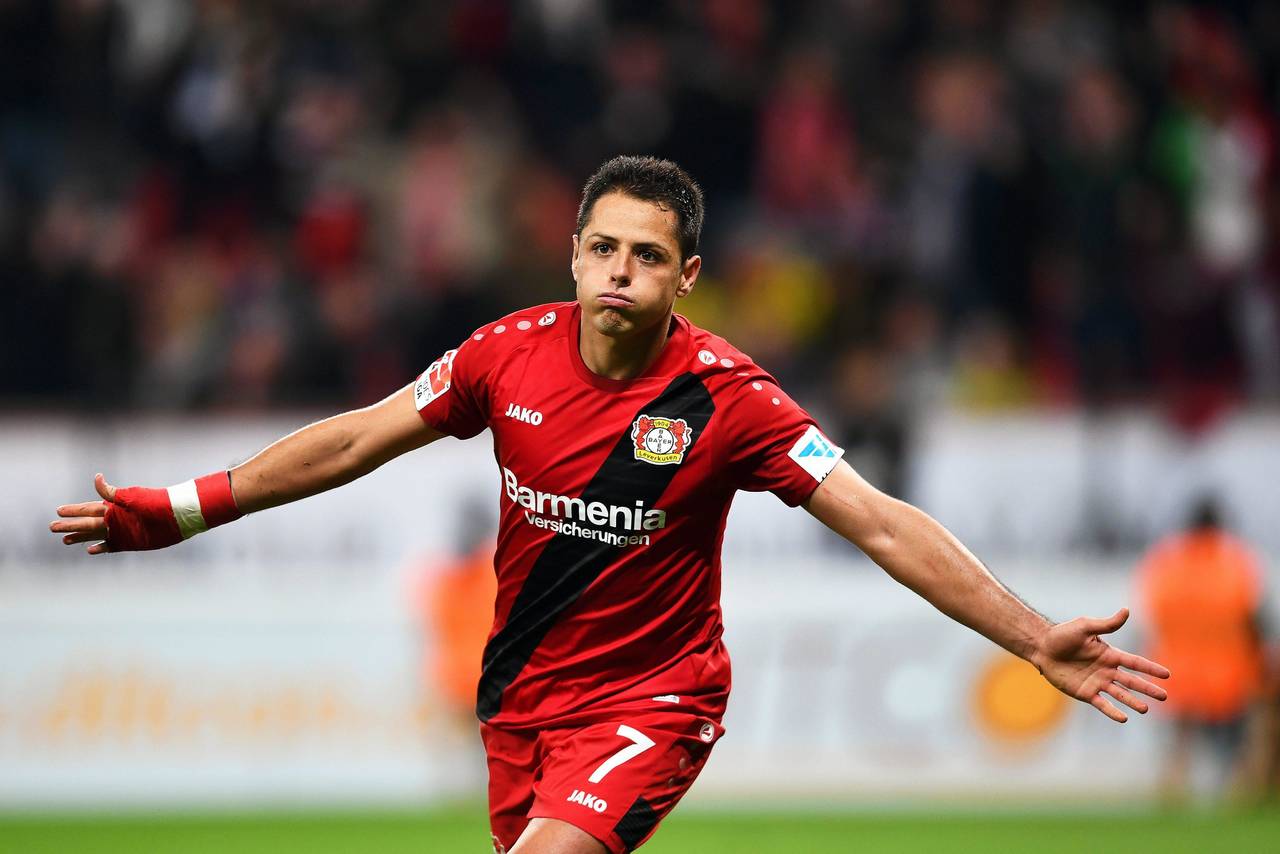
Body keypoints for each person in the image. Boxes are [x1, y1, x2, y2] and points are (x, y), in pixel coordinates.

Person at [51, 156, 1169, 854]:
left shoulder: (730, 399)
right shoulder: (503, 355)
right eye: (602, 248)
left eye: (646, 254)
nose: (619, 271)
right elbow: (351, 439)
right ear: (573, 255)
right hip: (519, 702)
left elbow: (881, 520)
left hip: (655, 697)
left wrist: (1031, 635)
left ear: (686, 276)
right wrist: (179, 510)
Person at [1136, 497, 1271, 802]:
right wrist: (1260, 658)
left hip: (1177, 667)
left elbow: (1152, 614)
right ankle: (1243, 791)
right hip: (1229, 668)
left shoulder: (1166, 563)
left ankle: (1172, 790)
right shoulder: (1235, 562)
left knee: (1180, 740)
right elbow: (1253, 616)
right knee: (1244, 736)